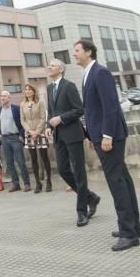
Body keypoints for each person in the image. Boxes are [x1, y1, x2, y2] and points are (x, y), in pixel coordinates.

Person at [76, 39, 140, 251]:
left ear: (88, 52)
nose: (74, 54)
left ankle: (128, 233)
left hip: (110, 136)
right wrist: (90, 135)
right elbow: (91, 110)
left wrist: (106, 135)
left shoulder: (100, 72)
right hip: (100, 135)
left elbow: (110, 107)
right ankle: (133, 226)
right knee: (123, 179)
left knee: (117, 182)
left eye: (77, 50)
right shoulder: (87, 74)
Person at [47, 58, 101, 226]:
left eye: (53, 65)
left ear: (61, 70)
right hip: (58, 136)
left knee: (79, 172)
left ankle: (82, 211)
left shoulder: (69, 86)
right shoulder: (49, 88)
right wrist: (49, 123)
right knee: (63, 170)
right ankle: (91, 197)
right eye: (49, 65)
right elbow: (51, 111)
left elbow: (79, 109)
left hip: (73, 134)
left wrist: (61, 118)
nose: (49, 67)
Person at [0, 90, 31, 192]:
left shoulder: (16, 108)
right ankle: (16, 184)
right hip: (4, 138)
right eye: (1, 96)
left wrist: (21, 135)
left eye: (4, 96)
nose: (2, 98)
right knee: (9, 163)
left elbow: (22, 122)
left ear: (9, 98)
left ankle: (26, 183)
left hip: (15, 138)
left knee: (21, 161)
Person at [21, 84, 52, 193]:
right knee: (33, 159)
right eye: (26, 89)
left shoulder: (40, 102)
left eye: (30, 89)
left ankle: (49, 181)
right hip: (29, 133)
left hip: (41, 132)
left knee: (44, 157)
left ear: (34, 91)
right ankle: (38, 183)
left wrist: (37, 132)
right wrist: (30, 131)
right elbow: (22, 120)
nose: (28, 91)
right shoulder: (22, 104)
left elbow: (43, 117)